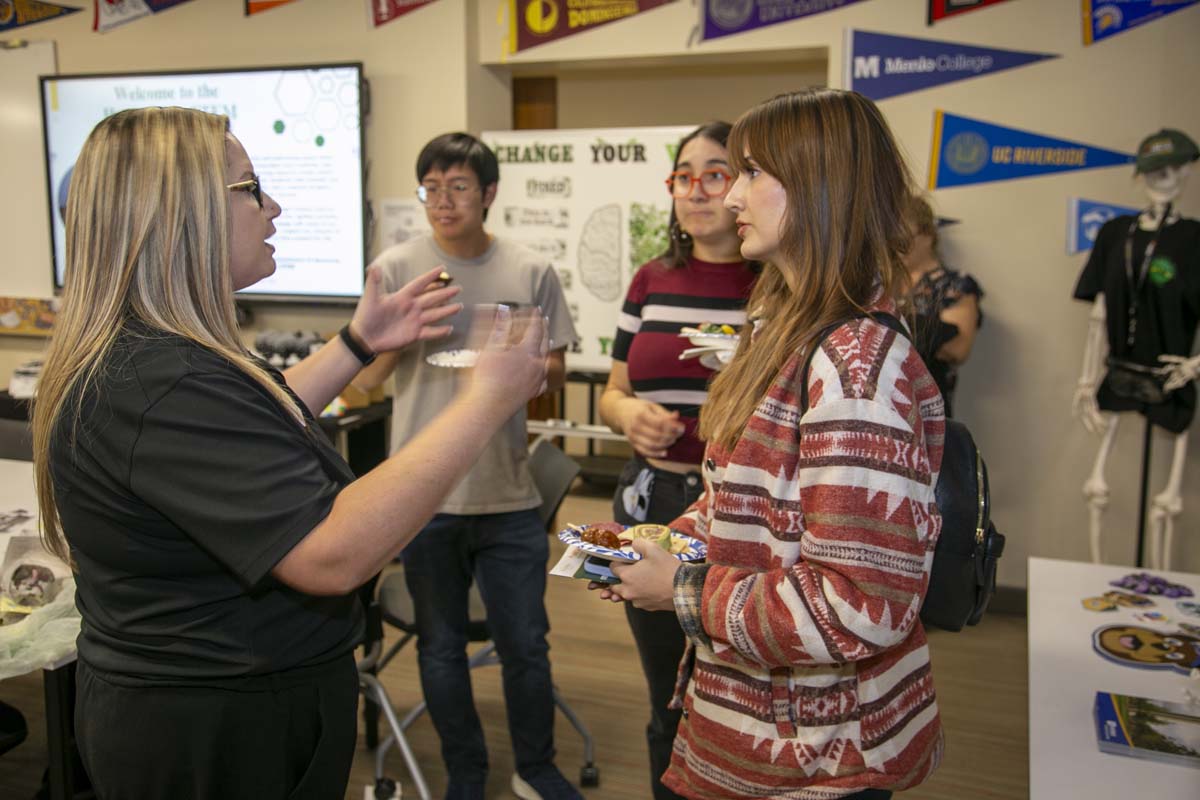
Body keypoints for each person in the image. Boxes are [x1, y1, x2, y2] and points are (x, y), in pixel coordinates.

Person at [31, 107, 549, 800]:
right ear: (183, 214)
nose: (271, 206)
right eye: (251, 188)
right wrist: (485, 401)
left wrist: (359, 343)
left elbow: (248, 428)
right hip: (217, 731)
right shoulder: (162, 380)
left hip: (223, 710)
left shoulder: (157, 359)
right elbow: (329, 553)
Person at [593, 89, 945, 799]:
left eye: (752, 173)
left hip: (815, 762)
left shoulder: (853, 368)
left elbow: (860, 604)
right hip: (755, 736)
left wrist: (682, 590)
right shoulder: (790, 329)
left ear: (819, 188)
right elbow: (747, 505)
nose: (730, 198)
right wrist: (671, 541)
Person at [351, 132, 580, 800]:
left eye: (457, 187)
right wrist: (400, 337)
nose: (442, 201)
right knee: (439, 648)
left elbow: (557, 371)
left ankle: (535, 766)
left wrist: (514, 363)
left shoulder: (528, 268)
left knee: (527, 645)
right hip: (422, 496)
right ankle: (465, 773)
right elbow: (367, 383)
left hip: (506, 491)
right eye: (431, 187)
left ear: (488, 194)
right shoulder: (396, 268)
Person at [597, 121, 756, 800]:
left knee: (740, 691)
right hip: (656, 502)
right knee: (668, 693)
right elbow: (612, 390)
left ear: (747, 182)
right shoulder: (651, 278)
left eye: (714, 173)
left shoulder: (777, 284)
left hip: (744, 515)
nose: (696, 190)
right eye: (683, 176)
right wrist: (628, 416)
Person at [901, 195, 982, 417]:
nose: (895, 244)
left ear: (927, 236)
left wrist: (901, 327)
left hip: (927, 408)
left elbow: (958, 349)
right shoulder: (878, 282)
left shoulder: (955, 285)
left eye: (903, 235)